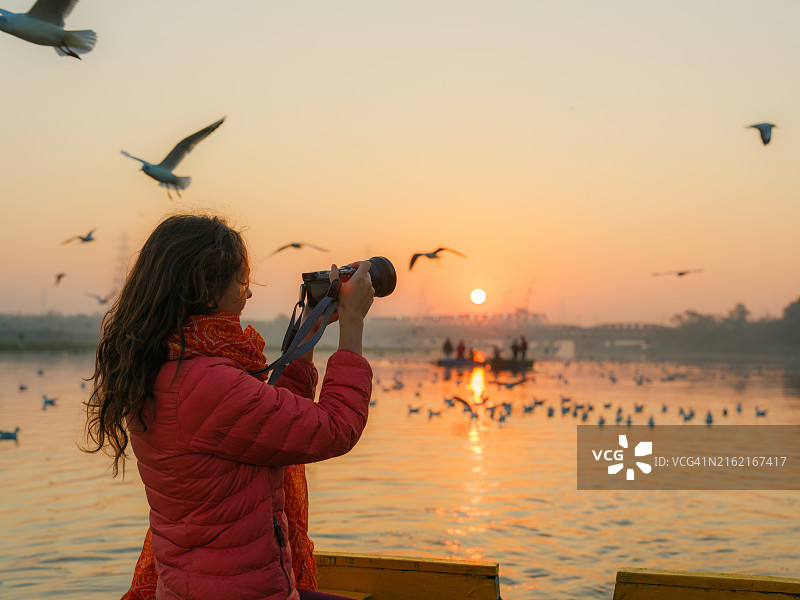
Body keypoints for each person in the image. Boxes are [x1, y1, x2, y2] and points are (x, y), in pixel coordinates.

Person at [84, 214, 374, 600]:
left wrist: (312, 324)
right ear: (206, 290)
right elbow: (334, 428)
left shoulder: (166, 366)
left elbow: (273, 423)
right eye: (241, 282)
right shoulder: (207, 384)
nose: (248, 294)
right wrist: (352, 326)